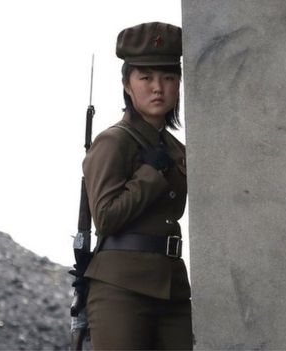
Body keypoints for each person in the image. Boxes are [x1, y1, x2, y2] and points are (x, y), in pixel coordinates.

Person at [82, 22, 192, 350]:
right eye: (146, 78)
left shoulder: (177, 149)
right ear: (128, 86)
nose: (158, 88)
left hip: (172, 287)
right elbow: (105, 216)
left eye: (169, 78)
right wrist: (150, 174)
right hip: (121, 290)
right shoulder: (113, 141)